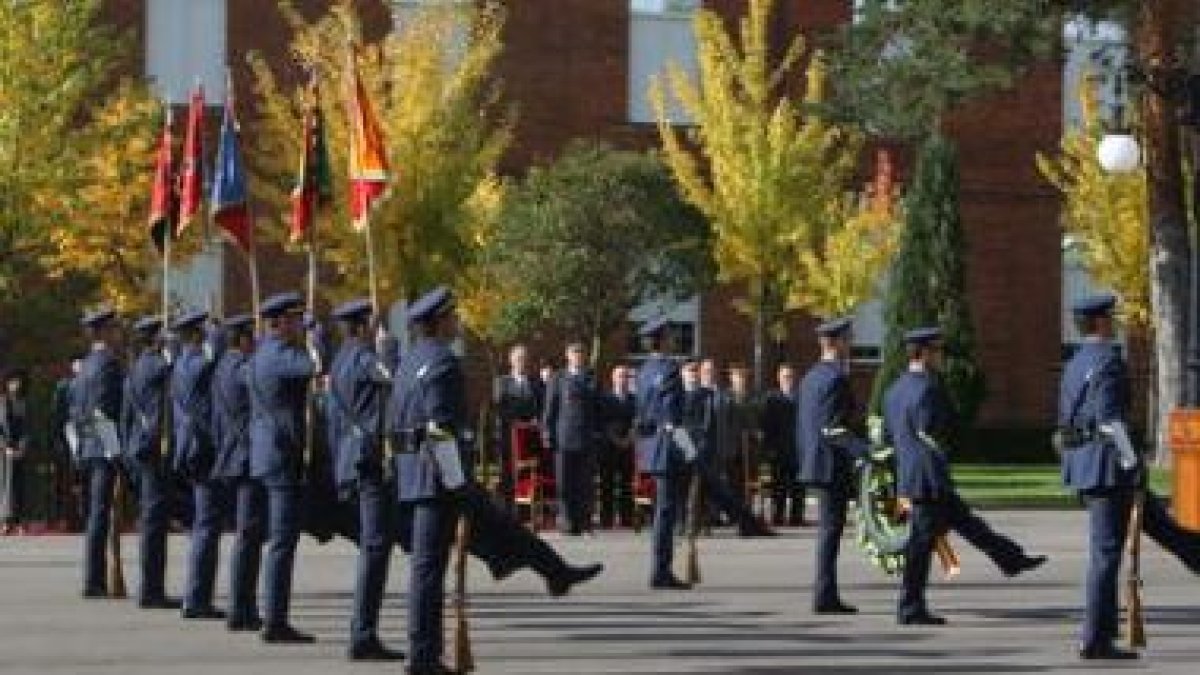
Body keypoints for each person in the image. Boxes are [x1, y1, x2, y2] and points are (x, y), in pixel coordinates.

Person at [389, 287, 602, 674]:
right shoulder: (443, 363)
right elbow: (439, 430)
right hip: (440, 477)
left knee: (458, 550)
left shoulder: (407, 362)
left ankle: (554, 572)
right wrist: (459, 483)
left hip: (414, 474)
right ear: (438, 322)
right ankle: (422, 656)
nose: (457, 322)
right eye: (452, 316)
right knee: (446, 558)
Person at [884, 326, 1045, 626]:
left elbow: (890, 435)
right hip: (929, 478)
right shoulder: (929, 389)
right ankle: (909, 606)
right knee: (921, 545)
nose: (941, 357)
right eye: (937, 351)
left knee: (968, 524)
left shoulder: (895, 389)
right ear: (925, 353)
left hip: (913, 475)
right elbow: (934, 432)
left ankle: (1011, 559)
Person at [1058, 294, 1141, 660]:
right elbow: (1110, 421)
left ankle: (1100, 634)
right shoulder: (1109, 360)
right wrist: (1132, 461)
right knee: (1105, 555)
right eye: (1112, 317)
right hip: (1108, 467)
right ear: (1101, 322)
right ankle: (1094, 637)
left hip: (1085, 464)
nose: (1116, 322)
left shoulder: (1075, 363)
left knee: (1158, 530)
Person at [326, 298, 404, 661]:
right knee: (375, 547)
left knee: (376, 543)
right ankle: (363, 634)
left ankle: (364, 630)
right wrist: (388, 347)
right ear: (361, 327)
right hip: (368, 460)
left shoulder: (341, 357)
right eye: (371, 324)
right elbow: (392, 376)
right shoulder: (360, 357)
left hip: (354, 458)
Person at [247, 291, 317, 643]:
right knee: (282, 541)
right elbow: (313, 369)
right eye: (297, 319)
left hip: (265, 451)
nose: (301, 325)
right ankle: (275, 619)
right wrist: (315, 341)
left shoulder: (262, 354)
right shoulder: (283, 354)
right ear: (283, 322)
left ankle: (272, 615)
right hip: (280, 454)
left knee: (274, 538)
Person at [797, 317, 869, 614]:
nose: (850, 344)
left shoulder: (812, 376)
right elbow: (833, 429)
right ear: (836, 342)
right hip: (831, 464)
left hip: (815, 460)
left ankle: (826, 592)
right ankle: (824, 594)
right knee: (830, 532)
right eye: (847, 340)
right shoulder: (835, 378)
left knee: (829, 531)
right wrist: (866, 451)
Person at [209, 313, 265, 632]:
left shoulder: (222, 367)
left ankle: (242, 605)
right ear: (243, 340)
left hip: (233, 453)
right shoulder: (239, 368)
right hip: (243, 456)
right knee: (248, 534)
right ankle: (242, 606)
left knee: (247, 533)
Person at [171, 310, 227, 620]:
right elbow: (215, 362)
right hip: (200, 448)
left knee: (205, 523)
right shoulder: (192, 364)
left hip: (191, 447)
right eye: (201, 332)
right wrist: (218, 334)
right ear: (195, 336)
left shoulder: (181, 362)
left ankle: (198, 595)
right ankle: (197, 597)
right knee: (207, 525)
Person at [120, 316, 178, 609]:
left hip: (139, 449)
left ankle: (151, 587)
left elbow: (127, 415)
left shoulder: (136, 368)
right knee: (155, 523)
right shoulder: (158, 368)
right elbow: (161, 413)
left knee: (151, 520)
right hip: (154, 451)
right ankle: (151, 590)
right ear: (156, 340)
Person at [682, 359, 773, 537]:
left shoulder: (724, 397)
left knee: (725, 491)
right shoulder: (690, 396)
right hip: (695, 454)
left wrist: (734, 446)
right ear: (700, 373)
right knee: (699, 492)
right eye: (705, 370)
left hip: (721, 451)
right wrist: (689, 452)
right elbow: (682, 427)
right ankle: (695, 524)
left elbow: (736, 423)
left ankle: (736, 524)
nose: (709, 373)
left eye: (712, 370)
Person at [71, 306, 125, 598]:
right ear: (104, 331)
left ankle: (95, 578)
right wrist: (115, 452)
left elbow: (76, 412)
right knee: (100, 515)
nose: (118, 334)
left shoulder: (86, 365)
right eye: (114, 328)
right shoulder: (107, 364)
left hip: (87, 445)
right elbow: (103, 411)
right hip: (103, 447)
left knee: (97, 513)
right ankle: (94, 580)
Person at [634, 318, 692, 590]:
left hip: (650, 445)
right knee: (665, 511)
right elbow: (673, 418)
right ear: (664, 340)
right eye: (670, 335)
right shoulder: (670, 369)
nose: (674, 339)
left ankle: (661, 568)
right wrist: (690, 451)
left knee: (663, 509)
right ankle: (660, 570)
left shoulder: (644, 370)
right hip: (668, 446)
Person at [542, 342, 601, 535]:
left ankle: (583, 521)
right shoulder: (558, 378)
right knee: (564, 482)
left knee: (584, 482)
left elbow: (598, 406)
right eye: (574, 353)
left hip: (586, 437)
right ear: (568, 355)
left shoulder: (591, 377)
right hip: (564, 437)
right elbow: (550, 409)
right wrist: (547, 433)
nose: (578, 356)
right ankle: (566, 521)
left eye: (581, 353)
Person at [493, 344, 543, 511]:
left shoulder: (536, 383)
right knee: (508, 476)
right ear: (511, 361)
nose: (522, 362)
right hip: (509, 438)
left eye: (525, 359)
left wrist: (536, 420)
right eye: (519, 359)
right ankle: (508, 510)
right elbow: (500, 408)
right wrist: (515, 422)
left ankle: (526, 512)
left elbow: (541, 407)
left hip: (530, 439)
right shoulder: (502, 382)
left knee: (527, 476)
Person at [760, 364, 807, 526]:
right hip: (779, 449)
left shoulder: (802, 397)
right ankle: (778, 516)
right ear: (779, 379)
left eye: (791, 377)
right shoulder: (772, 399)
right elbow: (767, 425)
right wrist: (769, 448)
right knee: (778, 485)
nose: (788, 380)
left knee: (798, 486)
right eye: (785, 377)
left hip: (798, 449)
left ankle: (796, 517)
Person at [597, 365, 636, 528]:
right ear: (613, 378)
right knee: (608, 483)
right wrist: (615, 439)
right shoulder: (605, 398)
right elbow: (602, 422)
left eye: (626, 376)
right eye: (620, 376)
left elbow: (637, 420)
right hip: (609, 446)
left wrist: (629, 438)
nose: (623, 380)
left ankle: (626, 519)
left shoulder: (635, 399)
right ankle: (607, 520)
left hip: (628, 445)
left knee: (627, 484)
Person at [1, 369, 31, 535]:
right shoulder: (1, 402)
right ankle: (6, 522)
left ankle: (20, 521)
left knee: (20, 487)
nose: (15, 384)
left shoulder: (25, 403)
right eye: (12, 381)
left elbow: (28, 429)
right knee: (5, 487)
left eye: (18, 381)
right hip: (4, 453)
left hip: (20, 452)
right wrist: (5, 447)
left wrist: (22, 447)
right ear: (7, 383)